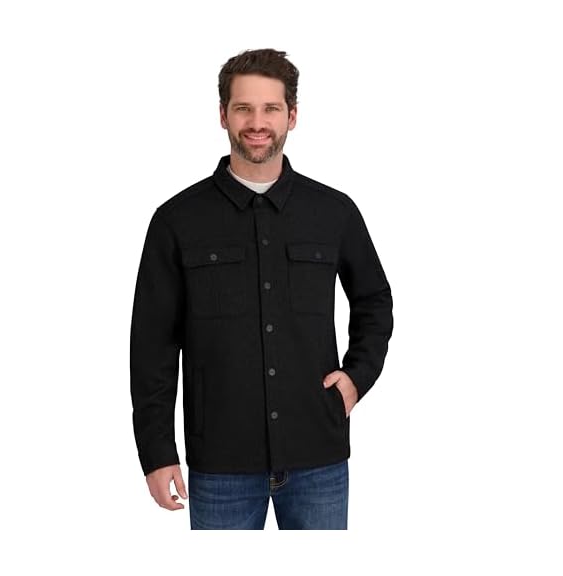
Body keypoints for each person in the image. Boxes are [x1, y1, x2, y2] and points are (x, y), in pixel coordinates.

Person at [130, 48, 394, 530]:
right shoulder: (177, 220)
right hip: (220, 463)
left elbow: (374, 300)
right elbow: (152, 345)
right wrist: (157, 451)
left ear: (292, 115)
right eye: (243, 108)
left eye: (271, 108)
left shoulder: (334, 212)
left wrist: (358, 376)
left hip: (318, 455)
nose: (257, 122)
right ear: (223, 115)